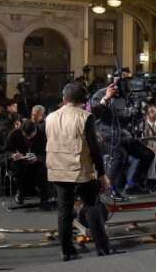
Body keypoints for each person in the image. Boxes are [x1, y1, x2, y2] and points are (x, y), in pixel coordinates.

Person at [45, 82, 117, 261]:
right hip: (81, 170)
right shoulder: (85, 117)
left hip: (57, 168)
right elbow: (94, 148)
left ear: (63, 98)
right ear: (83, 100)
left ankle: (67, 251)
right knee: (92, 207)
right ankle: (103, 248)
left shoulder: (50, 117)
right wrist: (102, 174)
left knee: (64, 211)